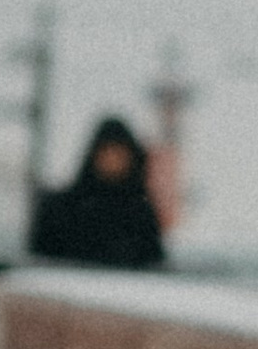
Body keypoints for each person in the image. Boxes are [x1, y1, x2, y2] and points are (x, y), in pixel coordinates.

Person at [27, 115, 165, 272]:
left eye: (119, 153)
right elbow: (40, 263)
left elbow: (153, 266)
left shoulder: (140, 213)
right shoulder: (62, 208)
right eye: (107, 151)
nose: (112, 160)